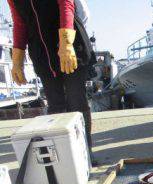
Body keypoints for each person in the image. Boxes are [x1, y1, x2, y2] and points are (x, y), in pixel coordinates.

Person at [8, 0, 96, 162]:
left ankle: (85, 154)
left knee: (76, 101)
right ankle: (63, 159)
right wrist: (17, 60)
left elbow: (66, 5)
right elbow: (19, 22)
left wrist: (66, 43)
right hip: (42, 53)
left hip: (70, 44)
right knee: (55, 106)